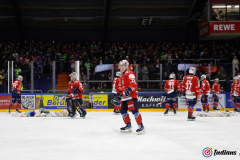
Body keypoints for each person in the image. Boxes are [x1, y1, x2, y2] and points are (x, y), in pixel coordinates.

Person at [115, 60, 145, 134]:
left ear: (126, 66)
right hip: (125, 97)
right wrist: (120, 95)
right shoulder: (122, 75)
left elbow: (133, 82)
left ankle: (141, 126)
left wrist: (129, 89)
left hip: (131, 95)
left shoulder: (130, 73)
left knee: (134, 111)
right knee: (122, 110)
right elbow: (122, 87)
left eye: (121, 65)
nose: (120, 67)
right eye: (120, 66)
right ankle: (128, 125)